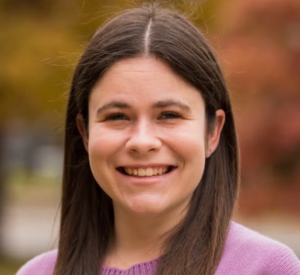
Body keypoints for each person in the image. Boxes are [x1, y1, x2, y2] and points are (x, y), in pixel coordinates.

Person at [17, 3, 300, 275]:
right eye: (117, 116)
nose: (142, 141)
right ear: (85, 132)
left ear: (213, 132)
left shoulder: (267, 268)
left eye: (168, 115)